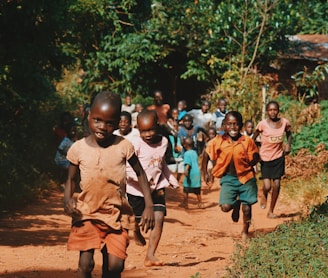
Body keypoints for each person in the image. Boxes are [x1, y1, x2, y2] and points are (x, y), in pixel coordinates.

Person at [64, 91, 155, 278]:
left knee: (114, 267)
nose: (102, 127)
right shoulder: (78, 148)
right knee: (85, 264)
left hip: (116, 214)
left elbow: (140, 173)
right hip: (87, 212)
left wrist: (149, 204)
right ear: (88, 116)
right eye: (97, 120)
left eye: (109, 123)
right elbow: (71, 179)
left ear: (117, 122)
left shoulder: (123, 146)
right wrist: (67, 198)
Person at [126, 109, 179, 267]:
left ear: (157, 126)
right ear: (137, 128)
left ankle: (150, 255)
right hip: (136, 190)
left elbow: (160, 163)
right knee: (140, 220)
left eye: (151, 130)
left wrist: (170, 177)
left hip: (157, 187)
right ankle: (134, 229)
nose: (148, 134)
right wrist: (141, 180)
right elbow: (128, 168)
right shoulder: (135, 144)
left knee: (159, 218)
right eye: (143, 131)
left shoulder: (163, 142)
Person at [202, 111, 259, 241]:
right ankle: (235, 204)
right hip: (228, 178)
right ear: (224, 126)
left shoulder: (247, 141)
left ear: (241, 126)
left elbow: (255, 157)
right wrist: (205, 172)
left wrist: (254, 159)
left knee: (247, 209)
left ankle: (245, 231)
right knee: (225, 207)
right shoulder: (218, 141)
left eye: (236, 124)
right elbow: (206, 154)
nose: (233, 127)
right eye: (229, 124)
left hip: (246, 178)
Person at [253, 100, 292, 219]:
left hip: (278, 157)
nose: (272, 112)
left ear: (278, 111)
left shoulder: (284, 122)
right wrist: (257, 152)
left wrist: (288, 145)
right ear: (267, 111)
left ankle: (271, 211)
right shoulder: (262, 124)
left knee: (277, 184)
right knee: (267, 185)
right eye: (270, 110)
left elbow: (289, 134)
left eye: (275, 110)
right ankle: (264, 193)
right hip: (265, 158)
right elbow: (253, 139)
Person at [182, 137, 203, 209]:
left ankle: (185, 203)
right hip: (197, 173)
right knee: (197, 190)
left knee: (186, 189)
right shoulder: (195, 152)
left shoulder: (186, 154)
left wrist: (186, 171)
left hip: (190, 173)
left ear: (185, 145)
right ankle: (200, 203)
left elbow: (188, 163)